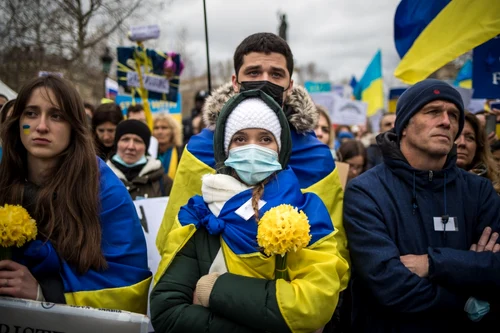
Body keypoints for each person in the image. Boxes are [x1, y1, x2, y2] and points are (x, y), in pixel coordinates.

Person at [155, 33, 350, 297]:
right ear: (235, 81)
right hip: (208, 294)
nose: (265, 81)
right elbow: (174, 235)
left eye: (276, 74)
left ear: (290, 85)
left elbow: (331, 246)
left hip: (291, 297)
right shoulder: (201, 149)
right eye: (254, 72)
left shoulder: (316, 157)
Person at [151, 90, 348, 333]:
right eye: (240, 139)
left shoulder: (308, 212)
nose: (253, 148)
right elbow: (167, 312)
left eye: (265, 139)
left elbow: (315, 303)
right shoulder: (200, 214)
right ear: (225, 150)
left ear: (280, 148)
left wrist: (213, 289)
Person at [343, 79, 500, 332]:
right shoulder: (367, 191)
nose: (446, 122)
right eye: (433, 111)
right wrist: (468, 293)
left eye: (454, 115)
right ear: (404, 125)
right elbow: (390, 284)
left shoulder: (479, 192)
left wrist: (434, 263)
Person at [0, 76, 151, 313]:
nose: (41, 126)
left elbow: (129, 284)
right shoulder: (2, 175)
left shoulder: (105, 188)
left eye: (56, 116)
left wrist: (45, 293)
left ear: (74, 126)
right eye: (31, 113)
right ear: (18, 122)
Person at [107, 119, 172, 200]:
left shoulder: (164, 182)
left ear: (146, 147)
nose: (131, 146)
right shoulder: (101, 178)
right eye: (125, 139)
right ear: (117, 144)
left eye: (137, 141)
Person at [456, 112, 500, 193]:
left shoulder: (491, 189)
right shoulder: (429, 181)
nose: (462, 143)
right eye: (456, 135)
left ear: (478, 146)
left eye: (470, 138)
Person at [153, 113, 183, 179]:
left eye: (164, 128)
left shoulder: (181, 153)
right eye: (156, 128)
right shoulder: (148, 154)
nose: (160, 132)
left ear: (173, 131)